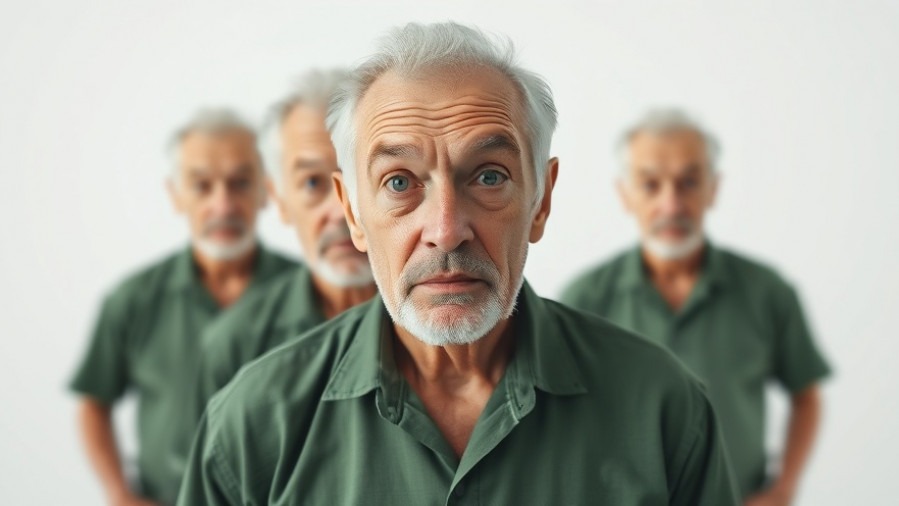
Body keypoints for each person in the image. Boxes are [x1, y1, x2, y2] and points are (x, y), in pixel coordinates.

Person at [178, 23, 738, 505]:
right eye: (399, 182)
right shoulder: (252, 426)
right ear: (352, 211)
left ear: (541, 200)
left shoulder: (664, 410)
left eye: (489, 176)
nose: (446, 229)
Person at [561, 108, 831, 504]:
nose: (672, 204)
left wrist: (785, 487)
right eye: (651, 184)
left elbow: (805, 395)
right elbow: (560, 418)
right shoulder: (584, 299)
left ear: (713, 189)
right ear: (625, 194)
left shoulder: (767, 292)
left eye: (688, 182)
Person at [70, 108, 296, 506]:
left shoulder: (310, 293)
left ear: (266, 190)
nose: (223, 204)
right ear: (175, 195)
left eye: (240, 183)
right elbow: (94, 400)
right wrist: (119, 493)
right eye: (201, 185)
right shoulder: (133, 299)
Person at [189, 69, 377, 421]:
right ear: (278, 198)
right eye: (311, 183)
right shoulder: (235, 344)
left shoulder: (443, 315)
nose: (340, 209)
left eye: (356, 177)